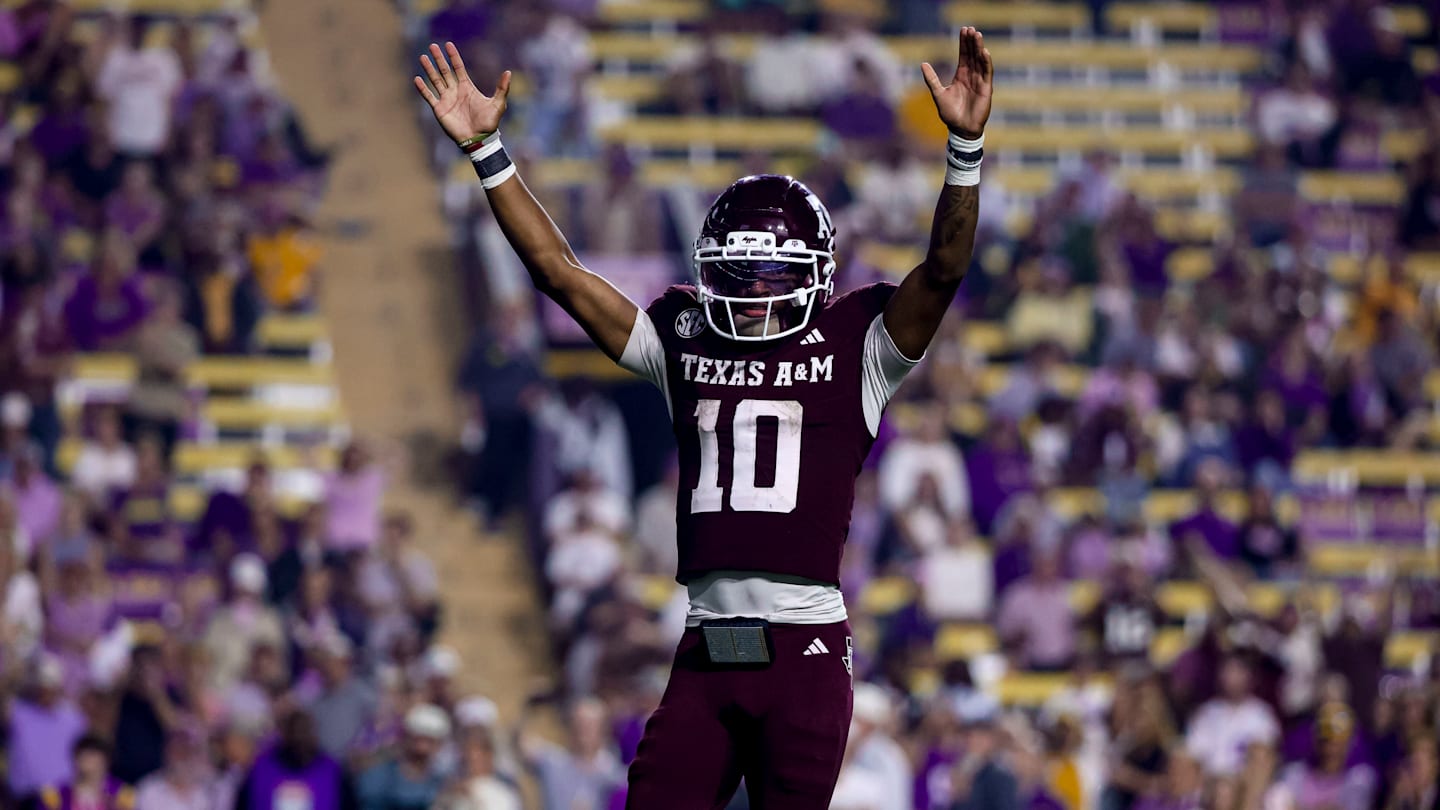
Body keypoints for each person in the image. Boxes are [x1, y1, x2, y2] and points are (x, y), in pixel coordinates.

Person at [413, 20, 993, 806]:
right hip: (708, 645)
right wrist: (488, 153)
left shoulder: (859, 341)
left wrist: (964, 150)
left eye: (768, 275)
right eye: (736, 274)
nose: (751, 292)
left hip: (804, 649)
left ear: (812, 276)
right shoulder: (683, 334)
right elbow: (558, 272)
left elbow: (946, 267)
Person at [234, 709, 358, 810]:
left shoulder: (332, 772)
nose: (300, 737)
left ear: (314, 733)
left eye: (305, 731)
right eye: (295, 731)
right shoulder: (261, 769)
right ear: (285, 734)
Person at [7, 655, 88, 804]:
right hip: (25, 797)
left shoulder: (74, 718)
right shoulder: (18, 712)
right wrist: (15, 674)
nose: (46, 692)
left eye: (51, 686)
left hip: (61, 798)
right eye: (42, 686)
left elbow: (84, 756)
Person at [355, 704, 452, 810]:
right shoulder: (380, 775)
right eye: (418, 739)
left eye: (430, 741)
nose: (422, 748)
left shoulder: (442, 780)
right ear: (407, 737)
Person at [37, 736, 134, 810]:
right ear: (75, 760)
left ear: (107, 762)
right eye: (85, 757)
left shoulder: (123, 795)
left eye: (95, 759)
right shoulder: (54, 796)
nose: (90, 764)